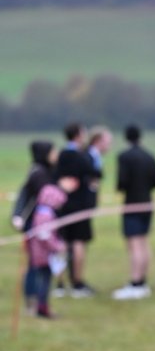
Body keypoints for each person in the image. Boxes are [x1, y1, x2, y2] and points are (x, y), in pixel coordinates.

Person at [113, 124, 155, 300]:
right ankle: (142, 280)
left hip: (132, 204)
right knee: (143, 241)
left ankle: (135, 283)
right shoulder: (150, 156)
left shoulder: (124, 157)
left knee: (134, 244)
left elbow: (122, 182)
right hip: (147, 203)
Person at [10, 140, 57, 311]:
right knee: (36, 264)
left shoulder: (42, 170)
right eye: (53, 152)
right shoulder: (39, 174)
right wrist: (17, 216)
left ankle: (37, 301)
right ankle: (33, 301)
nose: (56, 155)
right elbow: (25, 196)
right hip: (37, 225)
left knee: (39, 263)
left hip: (40, 225)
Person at [26, 174, 79, 319]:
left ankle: (41, 305)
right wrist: (57, 246)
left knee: (44, 280)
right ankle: (42, 307)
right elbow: (45, 236)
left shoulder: (42, 212)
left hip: (42, 253)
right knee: (44, 280)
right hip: (43, 255)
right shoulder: (45, 215)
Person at [54, 122, 97, 297]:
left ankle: (59, 284)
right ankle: (77, 283)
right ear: (78, 135)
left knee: (61, 243)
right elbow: (95, 174)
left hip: (62, 205)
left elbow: (55, 177)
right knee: (78, 243)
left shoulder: (61, 155)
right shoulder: (82, 156)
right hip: (80, 205)